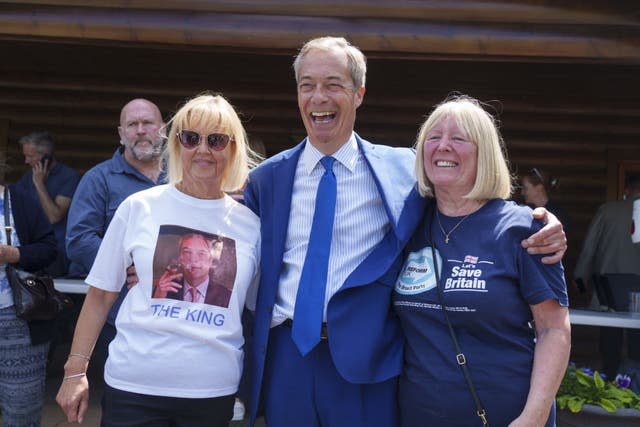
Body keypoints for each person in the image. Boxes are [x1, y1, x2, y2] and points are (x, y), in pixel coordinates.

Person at [243, 36, 567, 427]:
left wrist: (542, 219)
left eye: (333, 84)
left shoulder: (404, 173)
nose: (318, 97)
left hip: (366, 361)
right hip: (288, 354)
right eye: (307, 85)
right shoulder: (266, 179)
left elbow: (465, 198)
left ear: (359, 93)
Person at [56, 93, 261, 426]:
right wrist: (74, 371)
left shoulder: (251, 225)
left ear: (234, 148)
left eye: (217, 140)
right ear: (177, 144)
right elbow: (100, 295)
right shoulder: (138, 207)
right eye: (191, 138)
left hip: (211, 391)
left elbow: (253, 310)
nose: (203, 149)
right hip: (134, 386)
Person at [393, 95, 571, 427]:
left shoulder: (522, 228)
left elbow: (553, 329)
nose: (443, 146)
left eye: (458, 138)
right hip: (419, 414)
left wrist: (533, 418)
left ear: (484, 153)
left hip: (508, 415)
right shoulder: (408, 224)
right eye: (433, 137)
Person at [65, 98, 166, 374]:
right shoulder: (99, 179)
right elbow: (79, 240)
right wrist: (128, 267)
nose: (141, 130)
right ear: (121, 134)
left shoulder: (182, 178)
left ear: (164, 129)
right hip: (120, 314)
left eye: (148, 123)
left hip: (177, 315)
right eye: (132, 124)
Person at [0, 179, 58, 426]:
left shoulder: (18, 199)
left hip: (17, 317)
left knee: (21, 409)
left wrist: (12, 254)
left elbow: (49, 249)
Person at [574, 173, 640, 379]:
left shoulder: (608, 210)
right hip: (638, 283)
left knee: (610, 332)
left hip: (608, 283)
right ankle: (635, 385)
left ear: (627, 190)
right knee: (638, 334)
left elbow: (589, 247)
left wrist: (579, 279)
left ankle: (610, 380)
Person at [17, 131, 80, 277]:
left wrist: (39, 184)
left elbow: (54, 216)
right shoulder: (27, 177)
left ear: (46, 155)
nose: (26, 161)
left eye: (30, 156)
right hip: (31, 248)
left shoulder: (68, 176)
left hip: (56, 252)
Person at [153, 233, 232, 307]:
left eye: (201, 253)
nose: (193, 259)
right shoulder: (164, 289)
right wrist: (157, 299)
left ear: (210, 260)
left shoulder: (227, 297)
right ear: (180, 258)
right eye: (187, 252)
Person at [521, 167, 571, 231]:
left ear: (539, 188)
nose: (522, 193)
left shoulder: (559, 216)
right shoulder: (525, 210)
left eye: (525, 188)